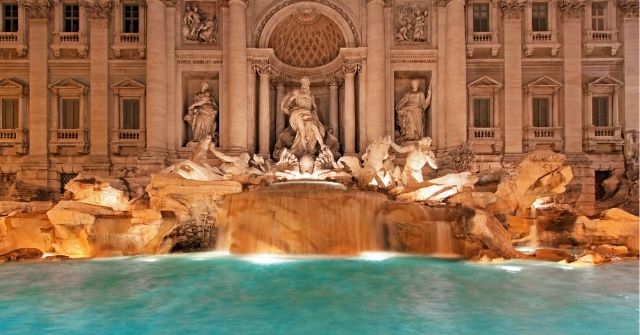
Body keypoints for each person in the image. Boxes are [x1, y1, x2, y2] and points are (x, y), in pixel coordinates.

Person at [280, 77, 327, 157]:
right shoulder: (297, 92)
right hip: (298, 113)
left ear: (309, 84)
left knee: (315, 127)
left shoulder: (311, 96)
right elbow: (289, 101)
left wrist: (315, 117)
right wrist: (287, 109)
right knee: (302, 132)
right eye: (304, 82)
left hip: (308, 114)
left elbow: (314, 107)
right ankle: (305, 151)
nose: (306, 84)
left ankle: (322, 145)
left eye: (307, 83)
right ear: (302, 84)